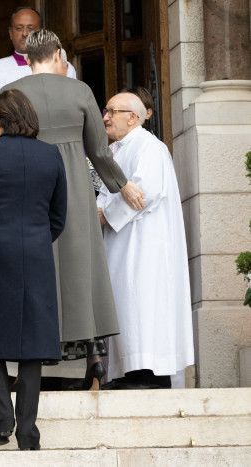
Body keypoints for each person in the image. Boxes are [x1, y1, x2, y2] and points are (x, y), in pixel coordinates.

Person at [1, 30, 146, 390]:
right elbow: (98, 150)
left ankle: (34, 359)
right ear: (57, 55)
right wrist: (121, 183)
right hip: (75, 187)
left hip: (30, 185)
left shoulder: (11, 93)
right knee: (84, 265)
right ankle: (94, 355)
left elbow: (0, 150)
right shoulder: (79, 90)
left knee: (38, 265)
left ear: (30, 57)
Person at [0, 89, 67, 450]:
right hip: (37, 252)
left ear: (0, 121)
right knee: (33, 342)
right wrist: (37, 238)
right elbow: (59, 216)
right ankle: (27, 430)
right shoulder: (51, 154)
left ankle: (2, 419)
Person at [97, 92, 194, 389]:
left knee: (143, 305)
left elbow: (145, 192)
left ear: (134, 117)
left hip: (145, 246)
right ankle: (128, 373)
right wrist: (99, 210)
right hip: (121, 243)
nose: (106, 117)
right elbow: (105, 194)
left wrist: (103, 215)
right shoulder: (114, 151)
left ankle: (148, 375)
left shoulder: (150, 147)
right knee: (126, 305)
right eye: (106, 110)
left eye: (113, 111)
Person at [0, 7, 77, 141]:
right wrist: (1, 146)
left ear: (41, 32)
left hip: (54, 146)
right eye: (19, 28)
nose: (25, 33)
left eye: (31, 28)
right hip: (9, 151)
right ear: (10, 33)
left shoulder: (63, 67)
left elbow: (71, 110)